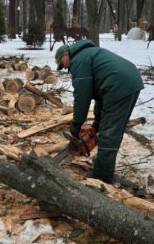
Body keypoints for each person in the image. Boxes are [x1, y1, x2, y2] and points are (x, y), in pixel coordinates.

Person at [56, 40, 144, 184]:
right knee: (113, 129)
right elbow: (98, 95)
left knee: (109, 134)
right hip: (129, 81)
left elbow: (82, 96)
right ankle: (104, 164)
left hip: (118, 84)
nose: (65, 67)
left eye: (62, 63)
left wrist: (77, 124)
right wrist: (97, 122)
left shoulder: (78, 61)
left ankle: (101, 178)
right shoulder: (87, 54)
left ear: (66, 54)